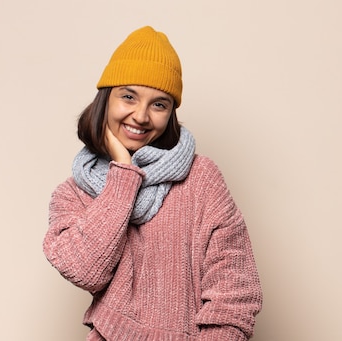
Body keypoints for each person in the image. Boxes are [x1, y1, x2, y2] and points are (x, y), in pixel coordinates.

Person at [43, 26, 263, 341]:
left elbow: (234, 292)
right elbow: (86, 270)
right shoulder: (73, 194)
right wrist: (123, 172)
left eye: (159, 104)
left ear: (171, 113)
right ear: (105, 100)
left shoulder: (201, 179)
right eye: (128, 96)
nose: (142, 116)